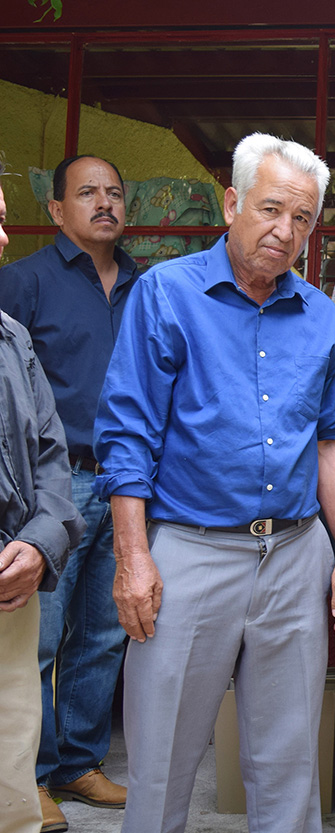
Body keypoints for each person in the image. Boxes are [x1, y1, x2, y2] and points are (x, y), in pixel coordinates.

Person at [93, 133, 335, 833]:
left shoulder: (323, 317)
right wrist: (133, 557)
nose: (285, 231)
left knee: (287, 767)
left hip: (295, 554)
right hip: (189, 551)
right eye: (271, 209)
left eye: (302, 218)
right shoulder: (167, 294)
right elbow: (127, 437)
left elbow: (331, 441)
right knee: (160, 762)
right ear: (232, 201)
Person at [0, 154, 138, 831]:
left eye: (113, 193)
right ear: (56, 210)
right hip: (54, 486)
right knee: (40, 637)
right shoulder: (21, 283)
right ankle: (27, 775)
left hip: (127, 483)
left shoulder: (146, 287)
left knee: (105, 632)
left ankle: (79, 763)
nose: (104, 203)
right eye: (87, 193)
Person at [0, 174, 86, 833]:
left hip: (14, 583)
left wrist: (39, 540)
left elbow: (50, 453)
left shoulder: (12, 338)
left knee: (11, 784)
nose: (4, 237)